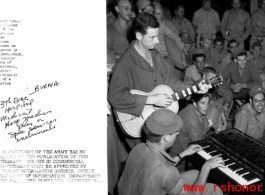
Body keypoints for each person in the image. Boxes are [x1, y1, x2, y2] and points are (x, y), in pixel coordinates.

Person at [108, 13, 209, 150]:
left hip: (157, 117)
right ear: (138, 35)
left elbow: (168, 81)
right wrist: (152, 99)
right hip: (137, 124)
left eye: (157, 35)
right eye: (152, 37)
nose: (157, 41)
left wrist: (194, 87)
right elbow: (115, 96)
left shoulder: (155, 55)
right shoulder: (125, 63)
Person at [118, 108, 224, 195]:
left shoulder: (139, 148)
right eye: (175, 132)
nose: (178, 133)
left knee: (196, 173)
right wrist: (207, 166)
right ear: (167, 138)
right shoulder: (167, 171)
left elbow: (159, 165)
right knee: (213, 189)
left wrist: (183, 153)